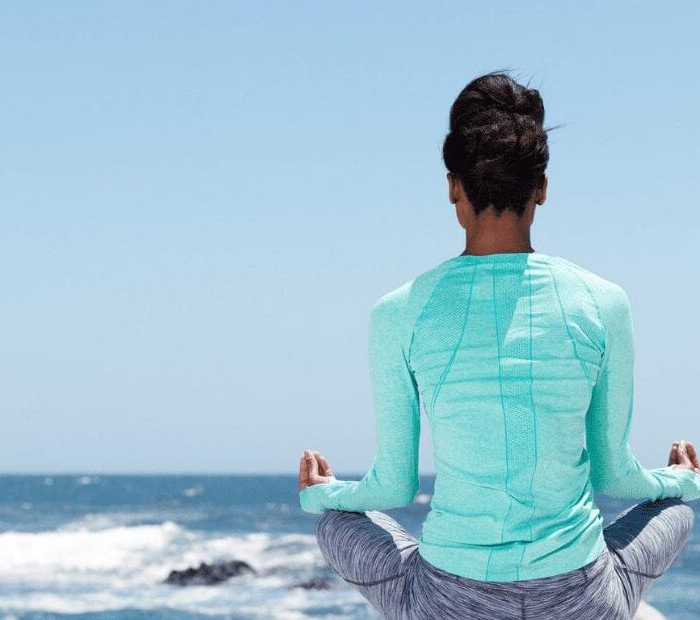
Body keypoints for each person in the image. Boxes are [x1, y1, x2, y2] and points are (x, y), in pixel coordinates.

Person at [296, 70, 700, 619]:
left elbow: (392, 484)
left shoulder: (400, 310)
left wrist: (323, 493)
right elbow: (615, 478)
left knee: (335, 522)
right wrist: (678, 480)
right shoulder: (605, 301)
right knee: (676, 509)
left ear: (452, 187)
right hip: (579, 599)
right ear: (542, 187)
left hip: (449, 600)